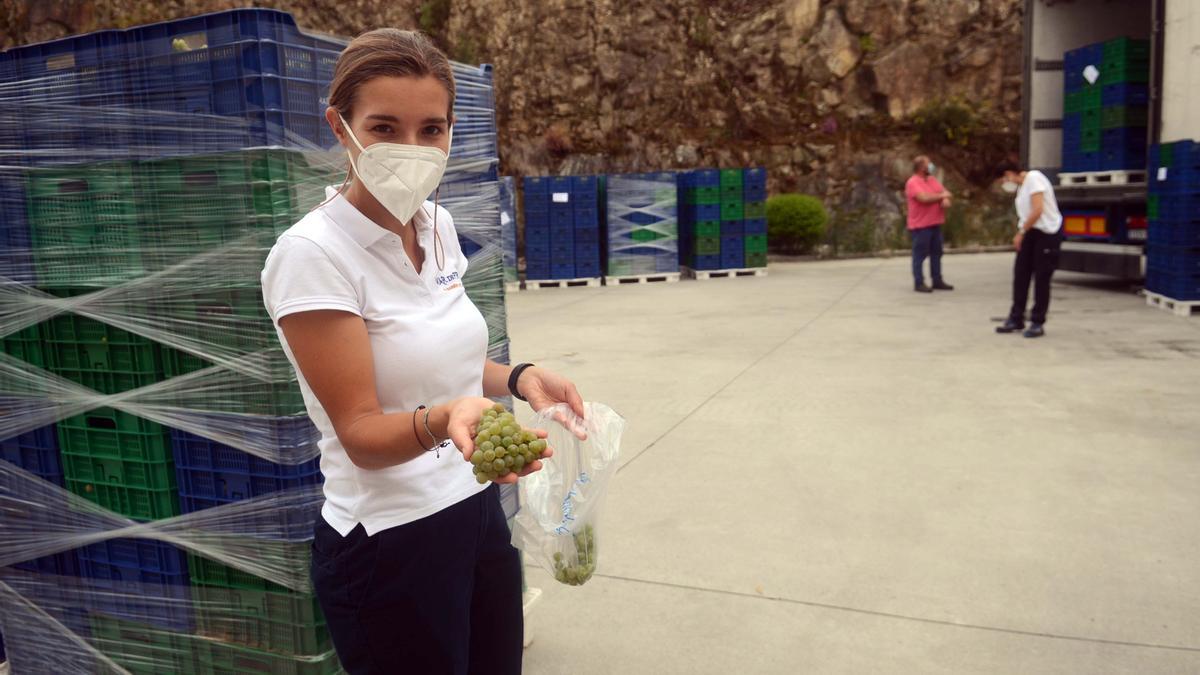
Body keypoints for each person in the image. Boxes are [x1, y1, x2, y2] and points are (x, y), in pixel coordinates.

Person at [261, 29, 584, 675]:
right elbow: (359, 432)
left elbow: (447, 365)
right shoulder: (312, 256)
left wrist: (519, 378)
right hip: (389, 540)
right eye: (384, 126)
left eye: (431, 128)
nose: (411, 149)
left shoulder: (434, 226)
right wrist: (442, 418)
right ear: (340, 125)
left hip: (472, 507)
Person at [995, 161, 1064, 338]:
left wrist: (1022, 232)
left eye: (1004, 179)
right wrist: (1023, 233)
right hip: (1030, 233)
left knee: (1041, 278)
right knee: (1021, 274)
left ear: (1009, 173)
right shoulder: (1021, 188)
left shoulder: (1034, 178)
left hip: (1046, 232)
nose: (1004, 183)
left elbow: (1038, 209)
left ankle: (1037, 321)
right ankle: (1016, 317)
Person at [904, 155, 955, 293]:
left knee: (937, 253)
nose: (931, 166)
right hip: (920, 226)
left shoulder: (932, 180)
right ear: (921, 167)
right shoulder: (913, 182)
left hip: (935, 223)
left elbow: (946, 192)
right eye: (928, 164)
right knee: (919, 255)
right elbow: (923, 198)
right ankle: (919, 282)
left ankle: (937, 280)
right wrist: (941, 197)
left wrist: (945, 198)